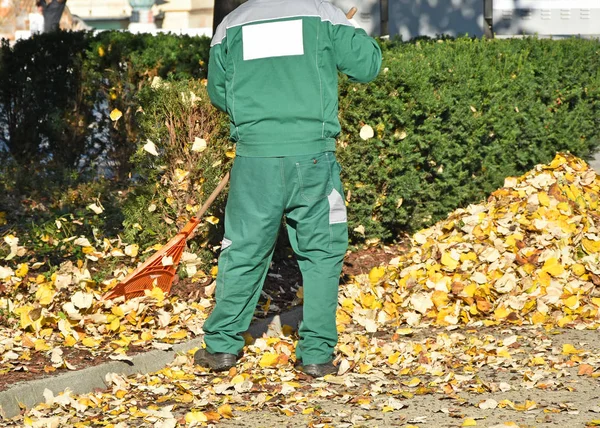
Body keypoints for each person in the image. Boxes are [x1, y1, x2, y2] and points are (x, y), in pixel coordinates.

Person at [194, 0, 382, 378]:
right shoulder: (322, 13)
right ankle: (315, 355)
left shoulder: (232, 22)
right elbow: (368, 66)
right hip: (313, 160)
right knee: (323, 253)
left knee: (244, 250)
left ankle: (221, 349)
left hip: (255, 160)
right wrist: (352, 23)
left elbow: (218, 92)